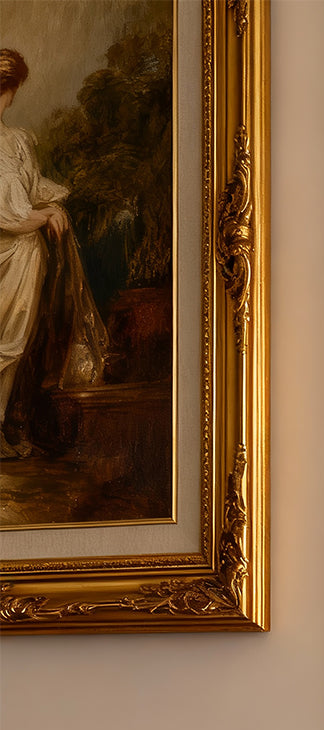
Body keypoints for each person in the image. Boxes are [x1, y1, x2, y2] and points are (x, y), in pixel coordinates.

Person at [0, 47, 99, 460]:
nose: (6, 97)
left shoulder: (19, 140)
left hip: (26, 261)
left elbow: (31, 188)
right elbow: (9, 214)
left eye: (8, 89)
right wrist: (44, 216)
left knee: (13, 345)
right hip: (9, 249)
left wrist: (56, 203)